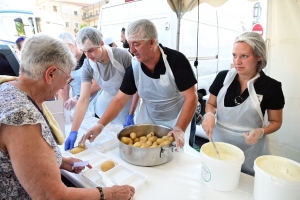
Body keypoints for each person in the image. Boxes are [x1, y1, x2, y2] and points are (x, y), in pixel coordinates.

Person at [0, 34, 135, 199]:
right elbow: (53, 196)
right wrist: (108, 193)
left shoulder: (8, 89)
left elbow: (20, 159)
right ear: (50, 74)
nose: (65, 85)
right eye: (67, 78)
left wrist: (61, 162)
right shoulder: (23, 117)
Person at [81, 19, 198, 150]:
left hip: (176, 119)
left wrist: (179, 128)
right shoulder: (135, 67)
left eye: (136, 44)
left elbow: (191, 97)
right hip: (148, 119)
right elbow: (119, 100)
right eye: (129, 44)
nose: (131, 50)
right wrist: (100, 125)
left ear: (152, 42)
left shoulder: (176, 61)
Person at [201, 32, 285, 176]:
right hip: (219, 145)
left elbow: (276, 121)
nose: (237, 62)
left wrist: (261, 131)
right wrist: (209, 114)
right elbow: (211, 103)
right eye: (234, 55)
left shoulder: (271, 87)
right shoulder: (223, 78)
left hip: (250, 149)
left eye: (244, 56)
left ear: (259, 56)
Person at [64, 27, 140, 151]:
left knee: (128, 141)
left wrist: (131, 113)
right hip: (107, 103)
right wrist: (74, 131)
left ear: (101, 43)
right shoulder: (88, 65)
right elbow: (83, 99)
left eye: (91, 50)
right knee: (110, 140)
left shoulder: (122, 56)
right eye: (84, 51)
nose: (88, 56)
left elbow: (137, 87)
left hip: (129, 103)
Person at [57, 32, 101, 117]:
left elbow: (97, 85)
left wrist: (77, 98)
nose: (67, 51)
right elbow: (64, 89)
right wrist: (65, 111)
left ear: (74, 43)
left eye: (68, 46)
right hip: (78, 105)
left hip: (95, 103)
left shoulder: (89, 57)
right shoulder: (65, 63)